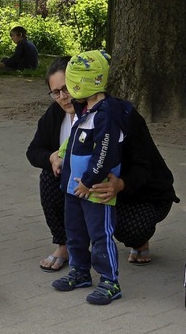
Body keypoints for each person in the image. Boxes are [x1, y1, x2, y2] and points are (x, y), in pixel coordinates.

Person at [26, 57, 179, 272]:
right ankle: (66, 245)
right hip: (85, 187)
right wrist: (52, 157)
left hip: (135, 191)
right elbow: (34, 151)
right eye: (56, 92)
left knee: (132, 228)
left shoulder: (117, 115)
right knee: (50, 175)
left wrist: (121, 184)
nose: (63, 97)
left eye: (68, 88)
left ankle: (139, 241)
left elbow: (145, 166)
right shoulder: (55, 114)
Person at [52, 50, 131, 305]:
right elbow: (73, 139)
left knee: (100, 234)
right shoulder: (84, 109)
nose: (67, 92)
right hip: (74, 188)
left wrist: (88, 181)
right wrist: (61, 155)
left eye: (71, 83)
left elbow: (105, 153)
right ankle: (80, 271)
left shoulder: (106, 114)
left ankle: (109, 281)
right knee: (74, 231)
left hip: (96, 189)